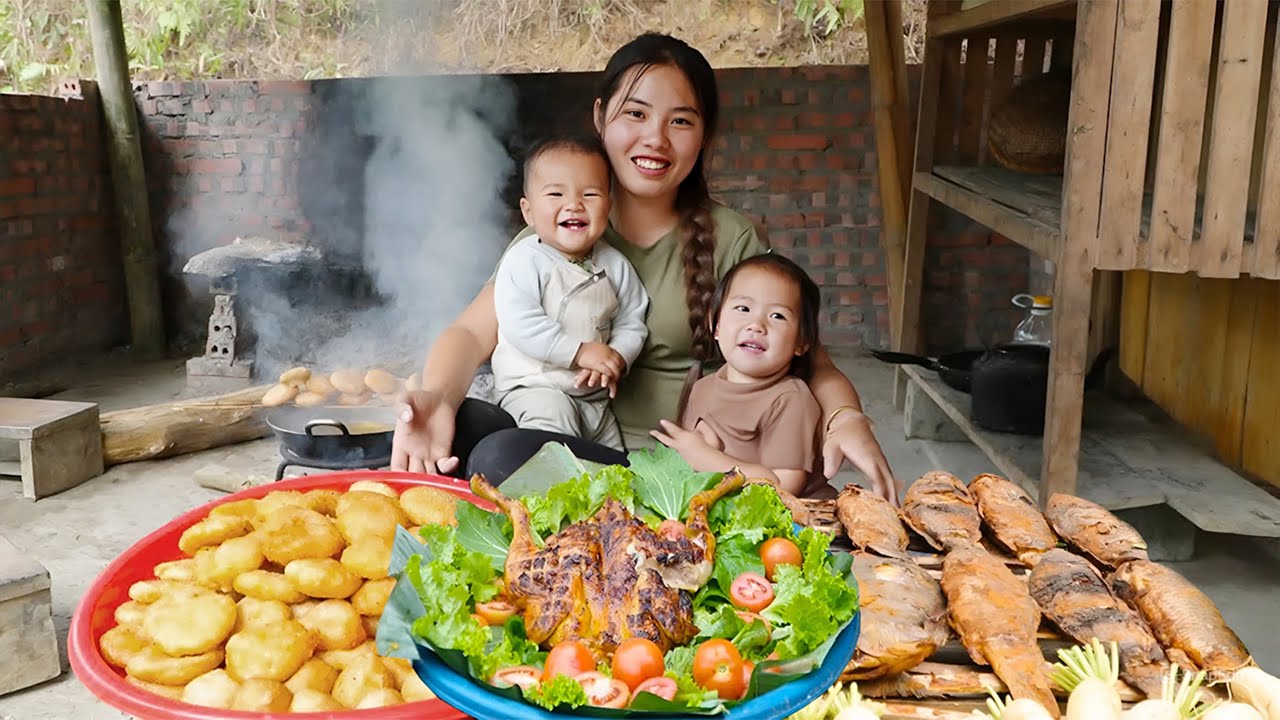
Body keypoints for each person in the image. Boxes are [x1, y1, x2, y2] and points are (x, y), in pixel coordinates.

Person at [391, 32, 902, 505]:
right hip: (570, 437)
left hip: (668, 472)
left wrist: (846, 417)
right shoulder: (558, 230)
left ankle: (614, 530)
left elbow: (814, 363)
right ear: (600, 118)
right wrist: (436, 398)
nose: (654, 139)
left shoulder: (731, 238)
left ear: (704, 136)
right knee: (462, 427)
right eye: (635, 114)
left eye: (680, 121)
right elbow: (470, 332)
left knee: (500, 458)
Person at [490, 135, 649, 451]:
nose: (574, 204)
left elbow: (633, 321)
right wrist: (579, 352)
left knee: (613, 466)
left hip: (594, 398)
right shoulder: (525, 260)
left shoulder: (615, 265)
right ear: (529, 211)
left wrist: (616, 356)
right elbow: (521, 325)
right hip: (536, 389)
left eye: (590, 194)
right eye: (555, 193)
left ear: (609, 206)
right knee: (555, 451)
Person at [651, 253, 836, 499]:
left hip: (796, 524)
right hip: (729, 515)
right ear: (715, 325)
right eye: (743, 308)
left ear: (801, 342)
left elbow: (783, 487)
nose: (756, 325)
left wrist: (707, 458)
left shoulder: (790, 399)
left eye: (777, 316)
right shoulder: (702, 387)